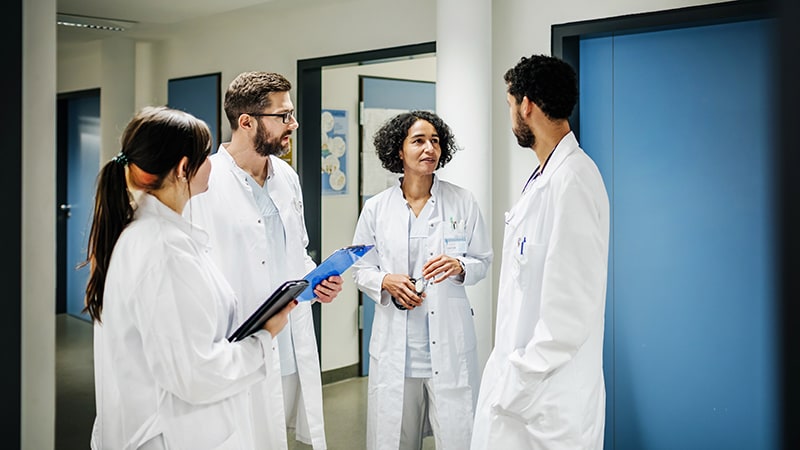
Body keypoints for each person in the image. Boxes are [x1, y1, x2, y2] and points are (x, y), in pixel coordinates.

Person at [85, 106, 297, 449]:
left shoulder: (150, 234)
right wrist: (263, 337)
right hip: (166, 435)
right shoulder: (163, 249)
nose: (213, 162)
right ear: (184, 168)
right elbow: (195, 374)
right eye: (206, 155)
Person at [186, 71, 343, 450]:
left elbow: (296, 251)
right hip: (233, 342)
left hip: (287, 339)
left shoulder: (286, 176)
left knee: (275, 433)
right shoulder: (205, 180)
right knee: (241, 437)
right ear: (246, 122)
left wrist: (317, 280)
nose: (294, 123)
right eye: (283, 116)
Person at [470, 55, 610, 449]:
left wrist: (517, 381)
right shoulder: (545, 177)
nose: (511, 114)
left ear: (526, 104)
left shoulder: (573, 181)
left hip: (548, 400)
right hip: (529, 393)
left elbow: (570, 310)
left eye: (510, 104)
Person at [351, 111, 493, 450]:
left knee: (458, 437)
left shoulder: (462, 200)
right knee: (395, 440)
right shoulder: (377, 208)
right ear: (399, 151)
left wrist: (459, 265)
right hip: (397, 351)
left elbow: (483, 260)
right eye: (418, 141)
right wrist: (386, 280)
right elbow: (360, 269)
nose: (429, 148)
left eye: (435, 141)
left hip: (449, 345)